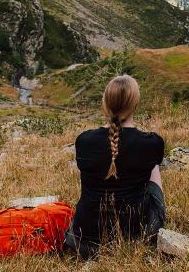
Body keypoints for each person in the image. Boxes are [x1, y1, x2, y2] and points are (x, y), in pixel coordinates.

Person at [63, 75, 166, 259]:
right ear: (135, 103)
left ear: (105, 103)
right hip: (135, 237)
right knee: (152, 165)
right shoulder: (151, 142)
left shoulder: (84, 140)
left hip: (82, 240)